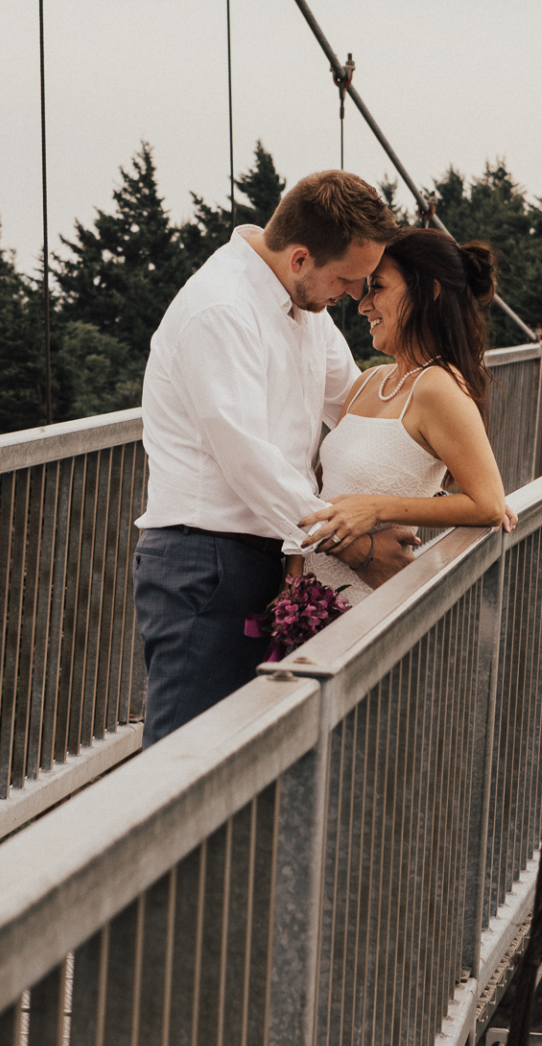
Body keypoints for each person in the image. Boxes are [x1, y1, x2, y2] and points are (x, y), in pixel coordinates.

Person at [133, 170, 414, 746]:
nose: (354, 297)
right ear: (301, 258)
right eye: (348, 280)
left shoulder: (305, 308)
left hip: (274, 554)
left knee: (252, 756)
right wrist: (357, 545)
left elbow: (354, 403)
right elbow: (248, 460)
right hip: (204, 563)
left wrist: (435, 412)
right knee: (185, 763)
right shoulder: (221, 309)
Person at [297, 227, 517, 601]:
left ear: (428, 292)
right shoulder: (368, 382)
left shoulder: (438, 388)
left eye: (378, 287)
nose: (364, 304)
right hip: (310, 603)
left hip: (367, 605)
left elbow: (489, 504)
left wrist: (376, 508)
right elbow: (317, 491)